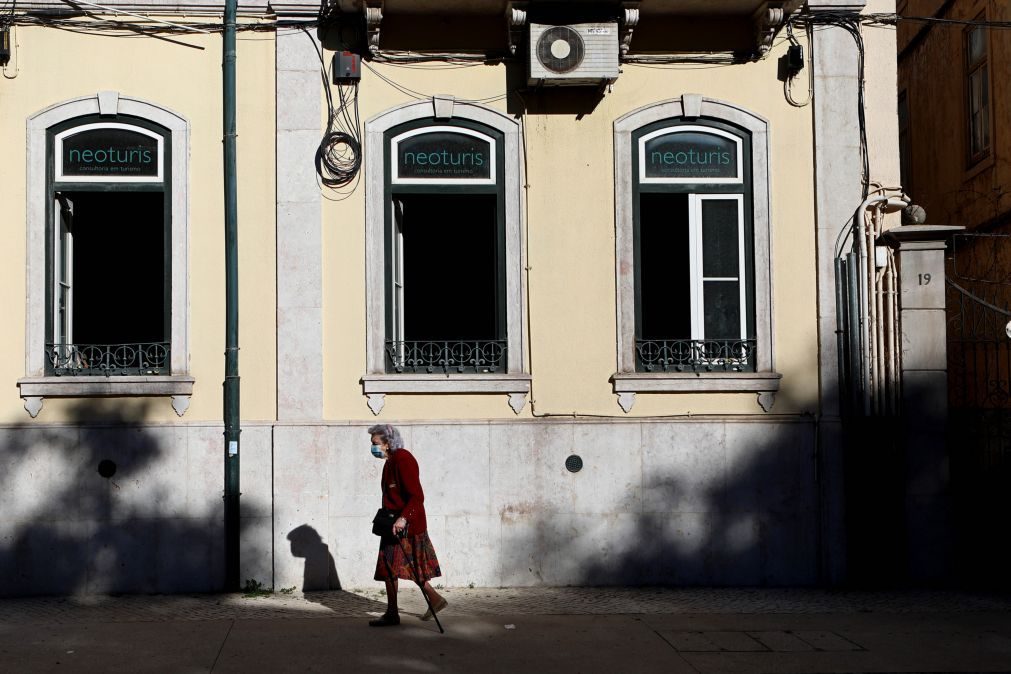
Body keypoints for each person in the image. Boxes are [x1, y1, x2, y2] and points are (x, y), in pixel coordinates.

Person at [367, 423, 447, 627]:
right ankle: (393, 612)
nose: (372, 446)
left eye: (375, 442)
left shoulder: (403, 459)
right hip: (392, 524)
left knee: (412, 568)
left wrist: (403, 518)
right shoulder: (390, 462)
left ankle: (432, 599)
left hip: (407, 525)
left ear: (386, 442)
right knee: (388, 567)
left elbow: (417, 496)